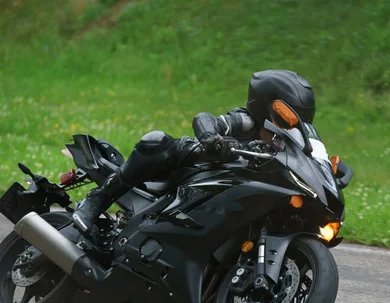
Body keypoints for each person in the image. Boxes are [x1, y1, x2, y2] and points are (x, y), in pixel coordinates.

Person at [72, 69, 317, 235]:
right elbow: (206, 119)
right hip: (193, 167)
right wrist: (212, 138)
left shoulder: (290, 145)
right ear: (267, 105)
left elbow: (312, 159)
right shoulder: (246, 122)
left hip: (227, 197)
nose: (292, 122)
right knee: (157, 142)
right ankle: (97, 200)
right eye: (287, 113)